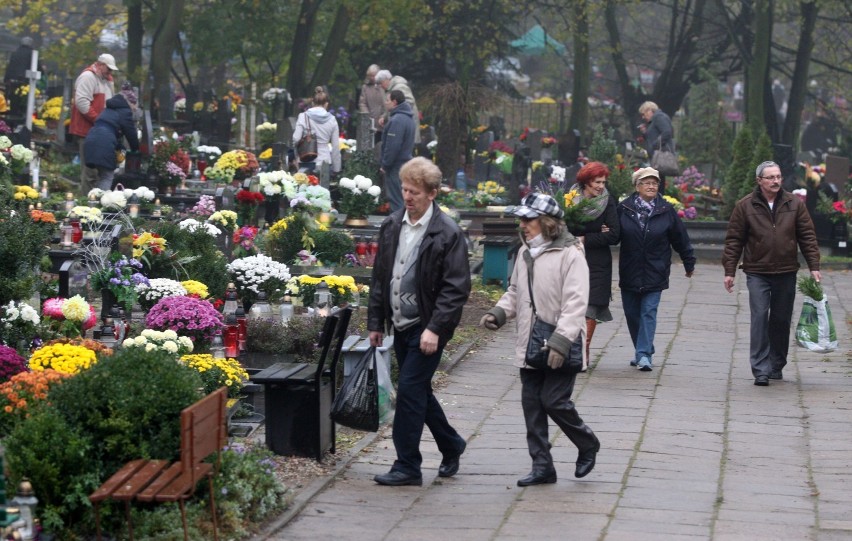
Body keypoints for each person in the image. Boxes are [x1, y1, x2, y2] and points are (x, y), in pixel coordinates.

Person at [480, 193, 600, 486]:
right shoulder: (525, 253)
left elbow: (576, 303)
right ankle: (542, 466)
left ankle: (587, 443)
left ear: (546, 223)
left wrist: (561, 342)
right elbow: (515, 291)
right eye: (520, 220)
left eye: (527, 220)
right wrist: (499, 313)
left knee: (554, 401)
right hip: (530, 340)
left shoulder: (571, 254)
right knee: (532, 405)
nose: (522, 225)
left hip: (561, 342)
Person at [368, 157, 470, 486]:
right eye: (404, 189)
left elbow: (456, 288)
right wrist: (374, 321)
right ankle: (451, 444)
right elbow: (380, 276)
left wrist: (435, 329)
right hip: (399, 323)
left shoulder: (447, 232)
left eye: (414, 192)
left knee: (410, 391)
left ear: (432, 194)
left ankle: (407, 465)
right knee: (418, 392)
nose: (407, 197)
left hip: (427, 327)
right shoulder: (392, 224)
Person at [722, 161, 821, 386]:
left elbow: (807, 236)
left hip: (786, 271)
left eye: (778, 176)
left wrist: (814, 266)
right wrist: (729, 271)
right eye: (770, 177)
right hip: (757, 271)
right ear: (759, 181)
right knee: (759, 317)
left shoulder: (794, 204)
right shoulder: (745, 205)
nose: (776, 181)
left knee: (780, 319)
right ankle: (760, 369)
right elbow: (734, 240)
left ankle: (776, 364)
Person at [618, 167, 695, 372]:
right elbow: (614, 235)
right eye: (647, 182)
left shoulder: (666, 210)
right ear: (637, 186)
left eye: (655, 183)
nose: (652, 186)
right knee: (632, 314)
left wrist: (689, 262)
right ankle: (644, 348)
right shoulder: (624, 208)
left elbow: (680, 238)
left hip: (656, 270)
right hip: (630, 270)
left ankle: (643, 355)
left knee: (648, 312)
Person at [565, 161, 620, 371]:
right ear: (586, 181)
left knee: (591, 308)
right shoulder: (569, 200)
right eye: (597, 182)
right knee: (571, 308)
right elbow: (562, 229)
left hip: (597, 264)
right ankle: (570, 348)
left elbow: (615, 234)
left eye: (603, 182)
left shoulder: (607, 202)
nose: (600, 186)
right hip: (571, 261)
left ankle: (583, 350)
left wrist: (586, 239)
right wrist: (596, 234)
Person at [70, 53, 117, 194]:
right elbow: (82, 102)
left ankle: (94, 204)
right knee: (89, 171)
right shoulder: (88, 77)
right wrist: (99, 120)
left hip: (100, 131)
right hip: (87, 130)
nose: (110, 72)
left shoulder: (107, 79)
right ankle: (86, 204)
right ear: (100, 64)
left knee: (98, 171)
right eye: (108, 68)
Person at [83, 82, 140, 191]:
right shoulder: (125, 111)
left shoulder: (109, 109)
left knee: (101, 175)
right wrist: (136, 150)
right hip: (103, 143)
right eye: (134, 107)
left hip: (91, 138)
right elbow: (130, 133)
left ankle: (93, 201)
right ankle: (100, 203)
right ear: (131, 103)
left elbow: (109, 129)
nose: (134, 110)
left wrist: (119, 146)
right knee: (107, 176)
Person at [380, 90, 416, 213]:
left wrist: (385, 164)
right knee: (403, 199)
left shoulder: (397, 120)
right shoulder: (408, 118)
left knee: (396, 201)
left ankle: (396, 229)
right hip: (404, 164)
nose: (385, 103)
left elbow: (393, 146)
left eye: (387, 100)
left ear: (394, 102)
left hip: (395, 166)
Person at [292, 86, 341, 176]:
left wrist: (295, 157)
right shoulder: (332, 120)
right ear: (326, 104)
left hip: (306, 159)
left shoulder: (303, 116)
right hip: (324, 161)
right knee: (323, 189)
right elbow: (335, 147)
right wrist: (336, 169)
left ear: (312, 102)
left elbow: (295, 139)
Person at [375, 69, 420, 144]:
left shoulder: (400, 87)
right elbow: (392, 106)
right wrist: (385, 117)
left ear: (386, 80)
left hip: (406, 126)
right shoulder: (391, 89)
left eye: (380, 83)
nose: (380, 86)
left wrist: (396, 113)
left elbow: (409, 102)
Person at [637, 101, 674, 191]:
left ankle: (659, 203)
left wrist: (654, 146)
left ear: (649, 110)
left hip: (660, 155)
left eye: (643, 114)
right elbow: (654, 135)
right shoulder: (654, 120)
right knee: (658, 182)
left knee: (658, 182)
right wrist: (645, 133)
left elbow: (667, 132)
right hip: (656, 156)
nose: (643, 117)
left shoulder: (659, 117)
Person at [3, 37, 34, 117]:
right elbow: (36, 66)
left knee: (14, 98)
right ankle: (22, 116)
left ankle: (13, 115)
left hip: (13, 80)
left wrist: (6, 79)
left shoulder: (15, 53)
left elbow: (10, 66)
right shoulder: (32, 53)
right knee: (23, 100)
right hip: (25, 81)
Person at [358, 64, 385, 146]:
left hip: (383, 121)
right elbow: (362, 103)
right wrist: (367, 115)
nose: (372, 78)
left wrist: (384, 115)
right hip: (371, 121)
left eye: (374, 75)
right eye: (370, 76)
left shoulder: (384, 86)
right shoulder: (365, 87)